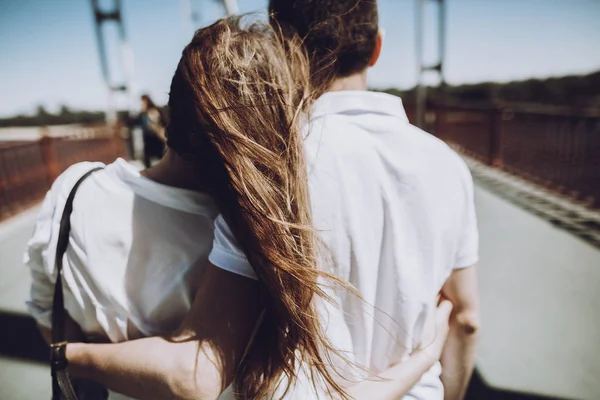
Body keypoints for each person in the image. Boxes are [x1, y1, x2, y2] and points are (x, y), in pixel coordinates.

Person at [26, 16, 453, 400]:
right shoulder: (255, 236)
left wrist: (69, 354)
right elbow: (200, 376)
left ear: (170, 111)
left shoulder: (72, 192)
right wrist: (420, 361)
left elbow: (49, 312)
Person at [267, 1, 481, 399]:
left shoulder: (271, 167)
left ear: (281, 50)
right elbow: (465, 319)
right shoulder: (447, 165)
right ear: (376, 48)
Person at [137, 94, 166, 167]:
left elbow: (157, 124)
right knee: (147, 159)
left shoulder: (152, 111)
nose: (141, 103)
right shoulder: (143, 113)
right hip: (148, 139)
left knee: (159, 157)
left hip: (155, 138)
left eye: (143, 101)